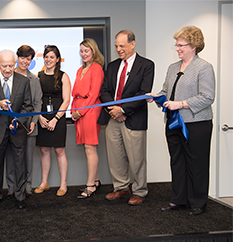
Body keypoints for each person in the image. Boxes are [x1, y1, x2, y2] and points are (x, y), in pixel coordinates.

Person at [148, 26, 215, 215]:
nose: (177, 49)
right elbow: (166, 92)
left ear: (193, 46)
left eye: (181, 45)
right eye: (176, 45)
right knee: (177, 161)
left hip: (196, 124)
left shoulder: (204, 67)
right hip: (173, 122)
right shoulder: (172, 68)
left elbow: (208, 97)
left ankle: (198, 203)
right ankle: (179, 200)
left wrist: (181, 104)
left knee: (197, 164)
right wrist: (155, 97)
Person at [98, 30, 154, 205]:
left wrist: (122, 110)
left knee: (137, 158)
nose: (119, 49)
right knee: (115, 156)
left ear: (133, 44)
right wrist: (113, 110)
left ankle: (139, 191)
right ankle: (121, 187)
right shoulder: (113, 66)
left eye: (122, 46)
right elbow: (104, 91)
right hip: (112, 117)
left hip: (133, 118)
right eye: (116, 46)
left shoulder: (146, 65)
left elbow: (143, 93)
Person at [0, 49, 33, 210]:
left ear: (15, 64)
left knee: (20, 166)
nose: (8, 69)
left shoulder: (24, 81)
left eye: (10, 65)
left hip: (17, 131)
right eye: (4, 66)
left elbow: (28, 107)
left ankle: (20, 196)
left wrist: (17, 120)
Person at [5, 45, 42, 199]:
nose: (25, 61)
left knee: (27, 158)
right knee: (11, 157)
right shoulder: (8, 76)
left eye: (28, 59)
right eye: (22, 58)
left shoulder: (34, 79)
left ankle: (27, 186)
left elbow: (37, 103)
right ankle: (11, 186)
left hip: (28, 125)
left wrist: (34, 121)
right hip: (11, 125)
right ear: (17, 58)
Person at [35, 45, 71, 197]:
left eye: (52, 57)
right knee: (44, 151)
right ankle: (44, 183)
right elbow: (34, 99)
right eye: (46, 56)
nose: (48, 60)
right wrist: (39, 117)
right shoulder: (38, 76)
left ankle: (63, 184)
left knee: (59, 151)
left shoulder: (64, 76)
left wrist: (56, 119)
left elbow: (66, 100)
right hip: (42, 118)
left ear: (57, 59)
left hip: (59, 118)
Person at [71, 38, 105, 198]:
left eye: (86, 51)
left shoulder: (97, 68)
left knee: (90, 148)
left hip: (90, 110)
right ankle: (96, 181)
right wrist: (73, 110)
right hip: (80, 110)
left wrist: (81, 112)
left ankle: (90, 185)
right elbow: (75, 92)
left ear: (93, 51)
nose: (83, 54)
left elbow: (94, 93)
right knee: (87, 148)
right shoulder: (80, 70)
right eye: (81, 51)